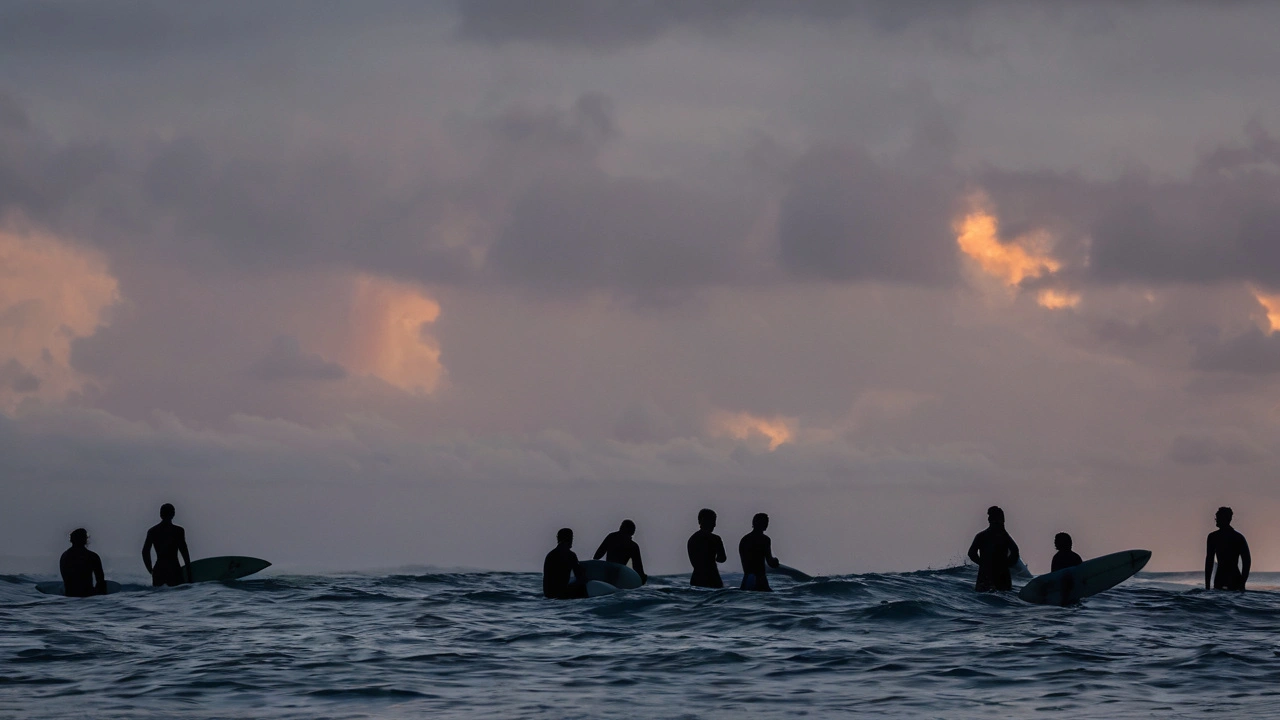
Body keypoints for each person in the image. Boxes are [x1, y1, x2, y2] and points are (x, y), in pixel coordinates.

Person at [967, 506, 1020, 592]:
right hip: (1001, 575)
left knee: (983, 599)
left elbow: (971, 553)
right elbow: (1015, 552)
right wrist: (1006, 565)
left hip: (987, 575)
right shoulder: (1004, 536)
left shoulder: (982, 536)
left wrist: (983, 564)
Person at [142, 503, 192, 587]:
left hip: (159, 570)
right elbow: (184, 551)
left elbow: (145, 552)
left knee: (159, 598)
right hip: (174, 569)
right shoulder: (178, 531)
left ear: (160, 515)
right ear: (173, 514)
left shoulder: (152, 531)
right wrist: (189, 572)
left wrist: (151, 570)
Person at [1206, 507, 1250, 591]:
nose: (1216, 520)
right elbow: (1247, 562)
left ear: (1225, 519)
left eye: (1218, 518)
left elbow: (1209, 562)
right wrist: (1242, 582)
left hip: (1224, 578)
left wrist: (1207, 586)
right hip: (1231, 578)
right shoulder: (1238, 537)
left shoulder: (1214, 537)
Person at [593, 519, 648, 584]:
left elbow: (596, 557)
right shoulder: (632, 546)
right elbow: (638, 569)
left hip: (608, 573)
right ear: (632, 533)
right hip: (618, 576)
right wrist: (642, 579)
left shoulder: (611, 537)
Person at [60, 528, 107, 597]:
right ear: (85, 540)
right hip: (88, 596)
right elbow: (100, 580)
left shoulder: (64, 556)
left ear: (71, 540)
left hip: (69, 595)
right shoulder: (92, 556)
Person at [739, 513, 780, 592]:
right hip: (759, 578)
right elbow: (770, 562)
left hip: (747, 578)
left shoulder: (745, 539)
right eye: (765, 522)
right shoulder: (765, 539)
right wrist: (775, 561)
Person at [688, 508, 727, 588]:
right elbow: (722, 558)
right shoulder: (715, 539)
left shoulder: (692, 539)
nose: (714, 525)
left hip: (696, 578)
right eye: (713, 521)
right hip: (712, 578)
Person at [543, 528, 586, 599]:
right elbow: (580, 577)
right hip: (562, 594)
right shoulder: (570, 555)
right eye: (572, 538)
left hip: (548, 594)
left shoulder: (550, 555)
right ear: (569, 539)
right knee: (583, 586)